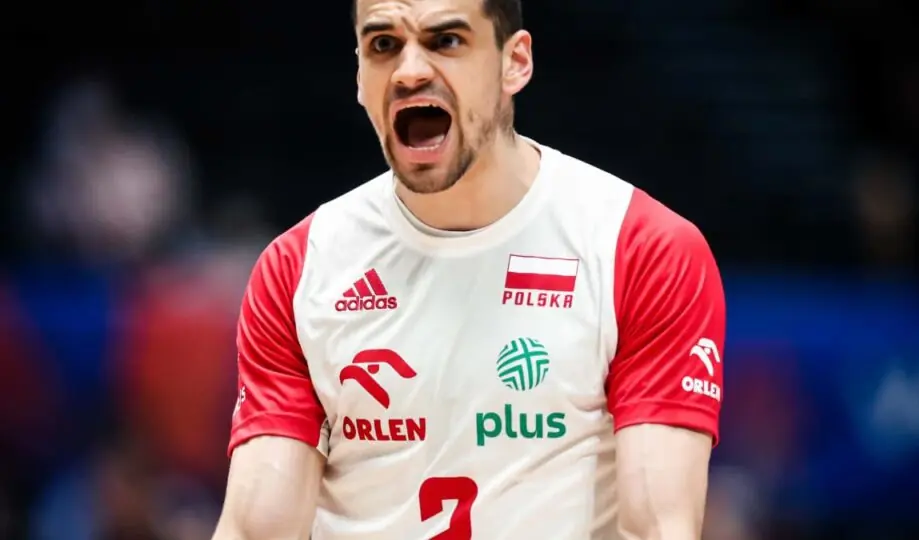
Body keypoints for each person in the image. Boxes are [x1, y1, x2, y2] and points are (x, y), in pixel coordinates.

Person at [212, 0, 725, 538]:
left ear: (514, 62)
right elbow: (254, 529)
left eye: (446, 41)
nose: (409, 72)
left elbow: (658, 528)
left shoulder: (640, 248)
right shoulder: (300, 267)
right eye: (383, 45)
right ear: (359, 75)